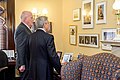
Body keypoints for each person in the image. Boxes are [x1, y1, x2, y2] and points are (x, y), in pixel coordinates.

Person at [14, 11, 34, 80]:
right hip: (25, 63)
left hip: (27, 62)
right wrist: (22, 64)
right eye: (31, 17)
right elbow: (20, 47)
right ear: (26, 18)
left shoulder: (25, 28)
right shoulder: (22, 29)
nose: (33, 20)